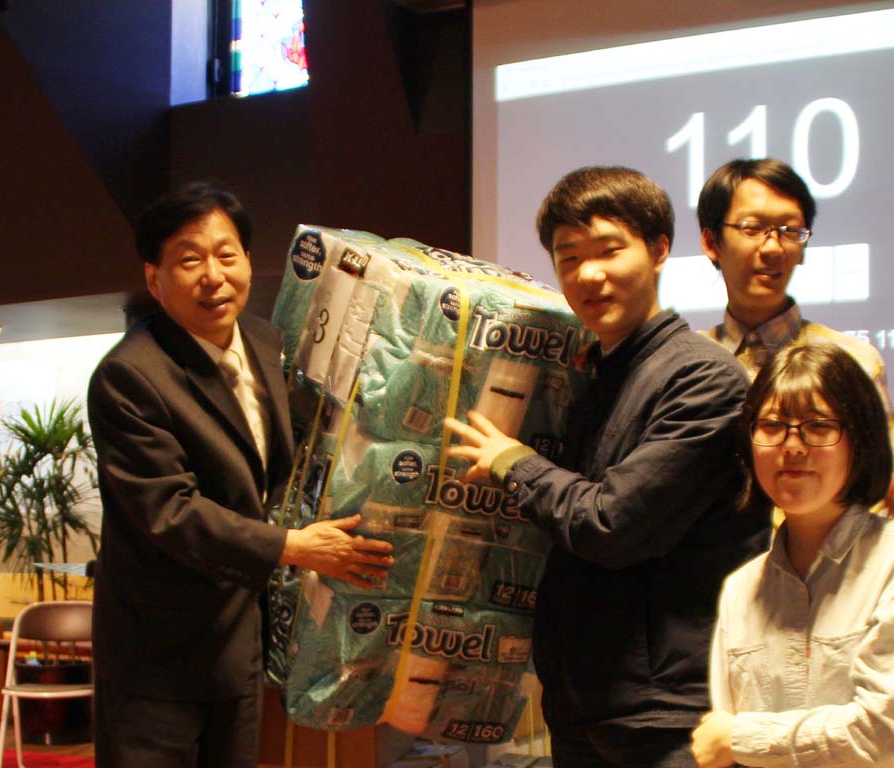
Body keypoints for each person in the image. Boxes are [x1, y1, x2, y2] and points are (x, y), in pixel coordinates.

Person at [445, 166, 767, 767]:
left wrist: (514, 462)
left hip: (672, 715)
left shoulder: (704, 377)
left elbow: (612, 524)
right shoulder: (592, 377)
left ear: (660, 249)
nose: (588, 274)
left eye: (609, 250)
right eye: (568, 258)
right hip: (585, 704)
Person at [87, 181, 394, 767]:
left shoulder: (266, 341)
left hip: (241, 642)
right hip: (157, 654)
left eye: (226, 255)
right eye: (189, 260)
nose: (214, 275)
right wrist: (293, 546)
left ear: (249, 261)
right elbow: (170, 513)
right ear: (154, 278)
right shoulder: (130, 375)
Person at [691, 343, 894, 768]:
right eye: (771, 425)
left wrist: (740, 737)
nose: (792, 445)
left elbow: (881, 738)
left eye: (818, 426)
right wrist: (731, 743)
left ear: (860, 441)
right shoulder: (741, 589)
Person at [697, 158, 894, 527]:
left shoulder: (853, 359)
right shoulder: (688, 363)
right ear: (712, 242)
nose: (773, 248)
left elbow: (888, 502)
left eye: (790, 230)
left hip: (829, 561)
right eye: (752, 228)